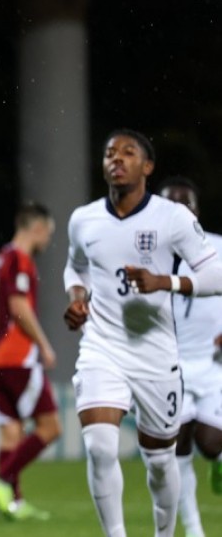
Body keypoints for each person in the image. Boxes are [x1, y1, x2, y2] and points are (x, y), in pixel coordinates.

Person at [63, 129, 222, 537]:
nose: (116, 158)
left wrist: (165, 282)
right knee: (100, 447)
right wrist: (77, 297)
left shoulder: (172, 218)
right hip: (102, 346)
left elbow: (216, 275)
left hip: (155, 354)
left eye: (128, 152)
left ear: (147, 166)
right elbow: (76, 268)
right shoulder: (84, 219)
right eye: (109, 153)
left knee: (161, 461)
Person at [0, 202, 61, 521]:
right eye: (48, 233)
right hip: (17, 357)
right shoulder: (19, 259)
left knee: (11, 432)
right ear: (37, 228)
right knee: (51, 427)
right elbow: (18, 307)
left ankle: (13, 502)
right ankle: (1, 480)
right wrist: (44, 344)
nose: (48, 241)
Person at [157, 176, 222, 537]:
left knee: (211, 443)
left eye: (186, 204)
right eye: (171, 205)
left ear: (197, 211)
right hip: (171, 364)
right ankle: (194, 530)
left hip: (214, 363)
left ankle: (217, 461)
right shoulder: (149, 256)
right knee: (176, 444)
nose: (179, 212)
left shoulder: (218, 247)